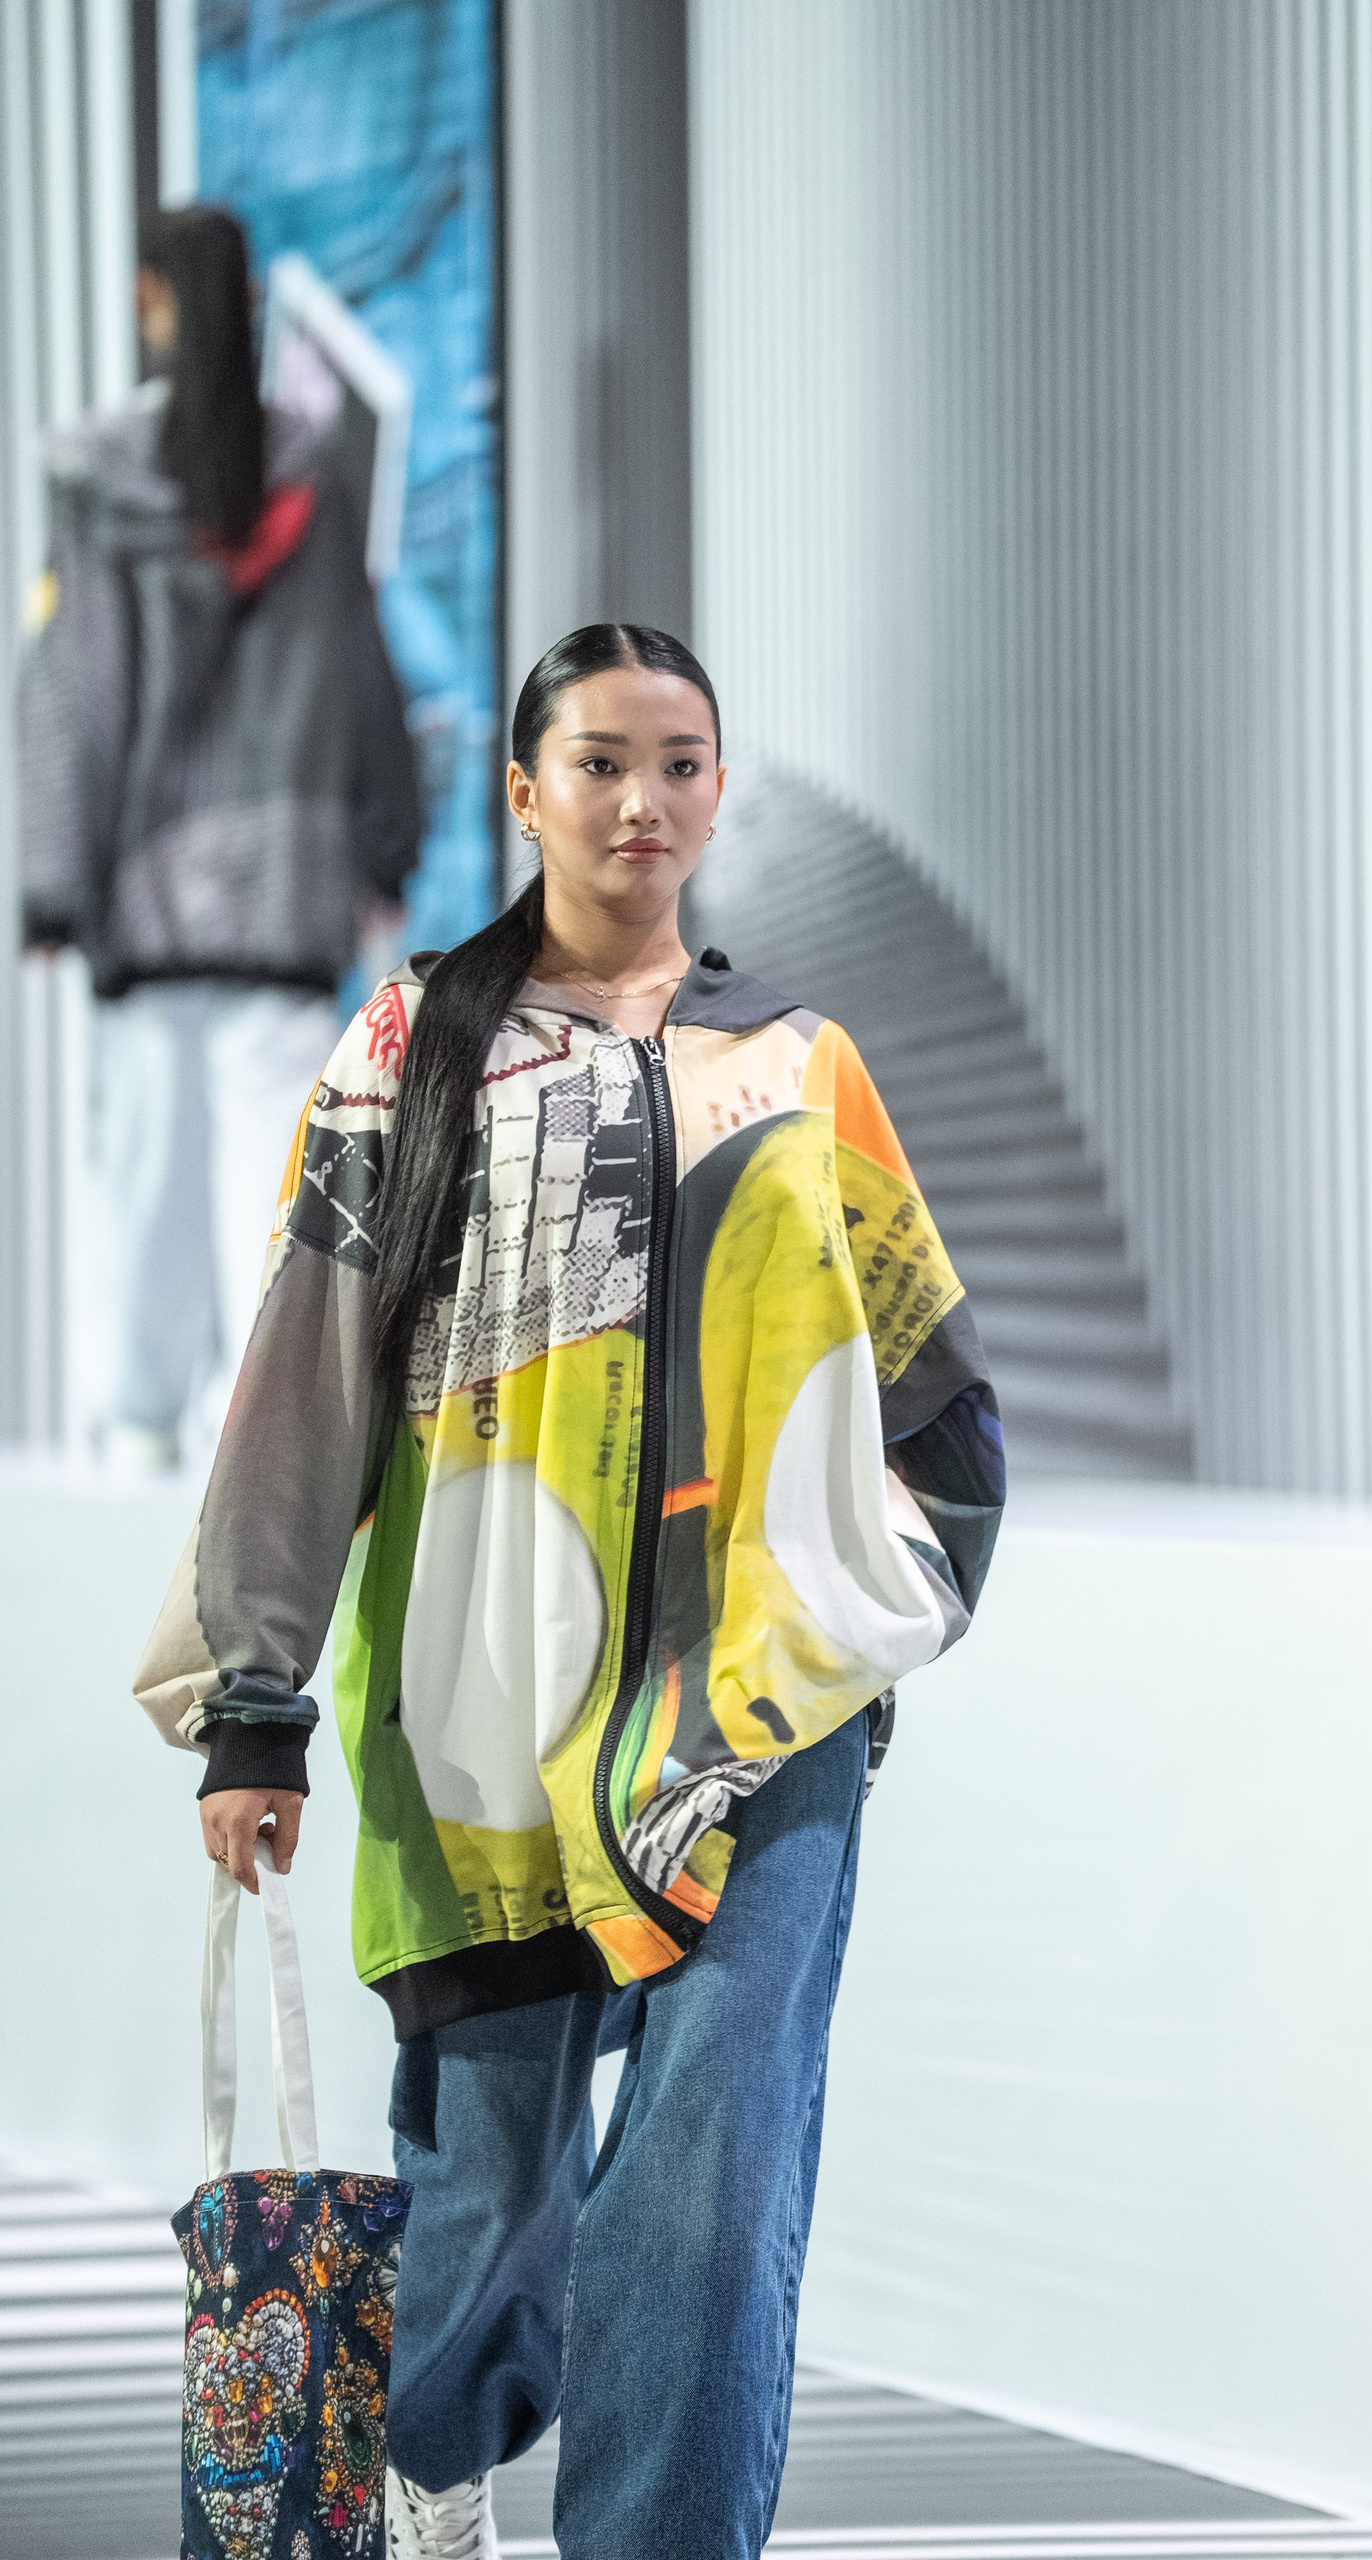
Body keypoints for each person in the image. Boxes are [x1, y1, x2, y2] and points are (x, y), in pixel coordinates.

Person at [134, 622, 1005, 2558]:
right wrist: (255, 1701)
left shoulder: (797, 1065)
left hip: (753, 1718)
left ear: (719, 788)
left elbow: (933, 1386)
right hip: (481, 1715)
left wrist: (873, 1601)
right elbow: (302, 1386)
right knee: (480, 2211)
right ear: (524, 790)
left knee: (707, 2200)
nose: (642, 802)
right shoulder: (407, 1052)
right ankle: (428, 2455)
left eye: (681, 763)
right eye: (600, 762)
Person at [18, 203, 420, 1470]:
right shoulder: (315, 468)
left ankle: (138, 1429)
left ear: (151, 300)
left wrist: (51, 881)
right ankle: (268, 1438)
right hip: (288, 891)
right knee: (277, 1175)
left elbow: (74, 687)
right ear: (244, 305)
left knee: (144, 1175)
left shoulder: (93, 477)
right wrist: (386, 838)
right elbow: (360, 666)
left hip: (147, 896)